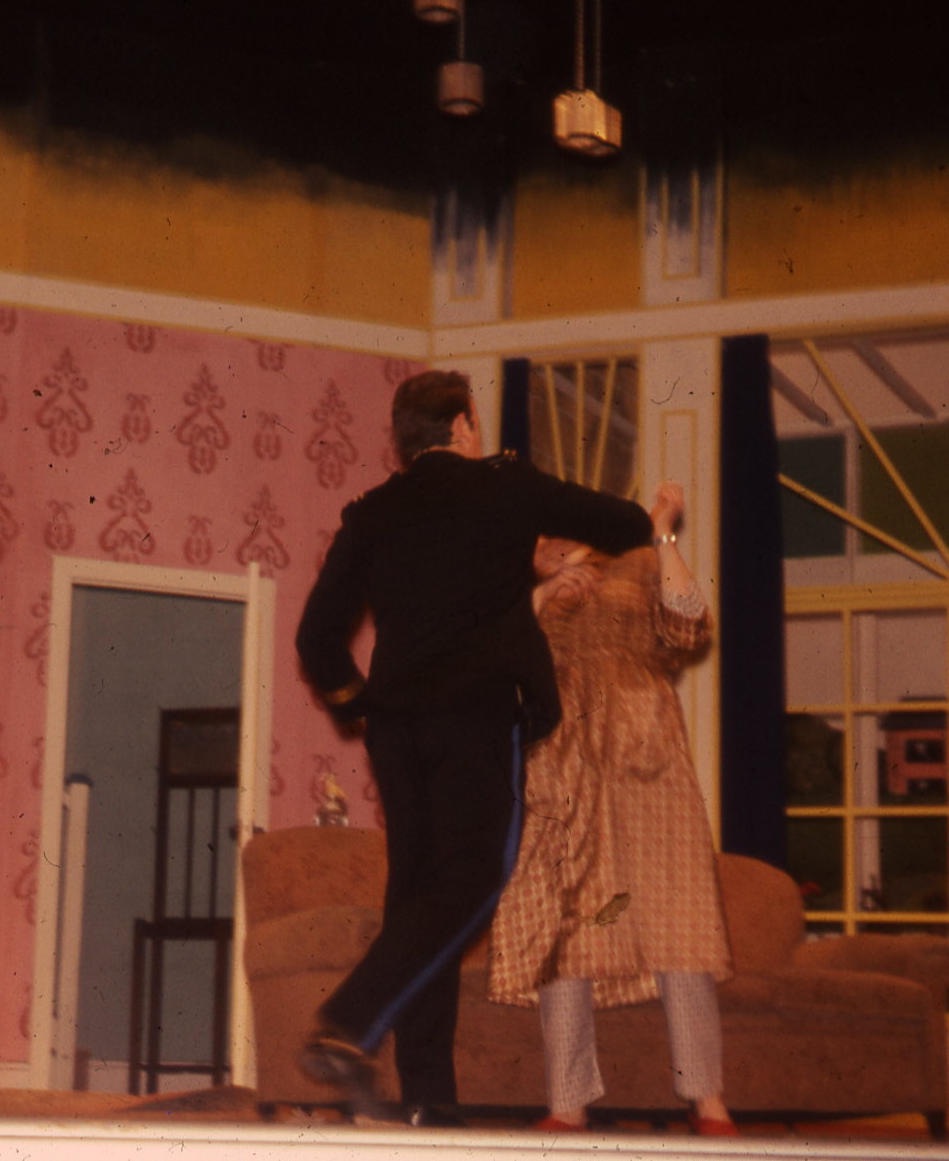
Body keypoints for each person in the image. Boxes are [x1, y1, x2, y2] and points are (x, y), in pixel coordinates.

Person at [293, 369, 653, 1125]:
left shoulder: (373, 513)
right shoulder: (506, 488)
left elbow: (317, 636)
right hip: (475, 718)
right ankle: (348, 1021)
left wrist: (358, 705)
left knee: (418, 898)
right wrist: (555, 546)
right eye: (476, 422)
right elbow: (624, 522)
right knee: (470, 883)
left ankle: (428, 1102)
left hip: (396, 729)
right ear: (461, 426)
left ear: (406, 442)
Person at [487, 482, 737, 1135]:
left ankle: (707, 1100)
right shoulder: (520, 569)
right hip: (561, 754)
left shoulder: (640, 555)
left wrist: (662, 533)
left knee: (679, 917)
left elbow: (688, 625)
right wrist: (543, 591)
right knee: (564, 922)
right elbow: (489, 656)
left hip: (644, 747)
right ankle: (568, 1102)